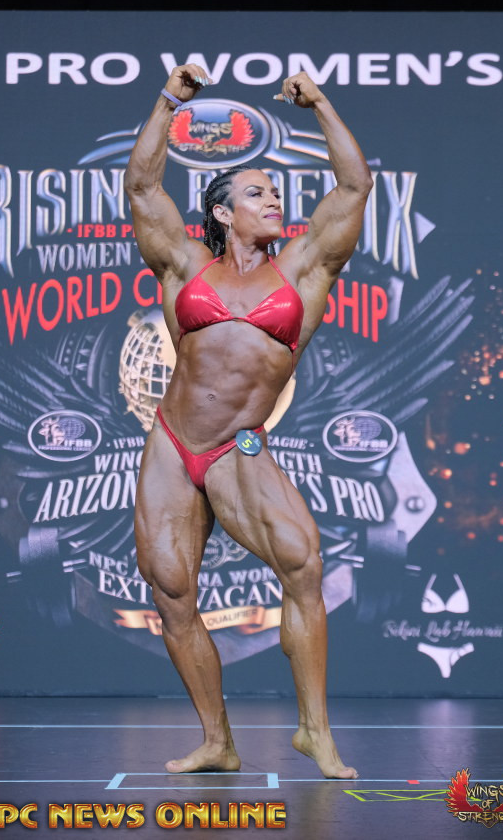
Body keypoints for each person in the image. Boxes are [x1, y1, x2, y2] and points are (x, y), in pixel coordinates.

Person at [124, 64, 372, 779]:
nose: (274, 200)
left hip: (239, 445)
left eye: (276, 191)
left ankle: (315, 731)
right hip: (174, 443)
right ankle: (217, 741)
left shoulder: (300, 271)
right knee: (172, 590)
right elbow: (142, 188)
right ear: (224, 213)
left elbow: (354, 187)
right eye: (257, 192)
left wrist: (320, 103)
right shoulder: (185, 266)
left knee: (302, 562)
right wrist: (168, 102)